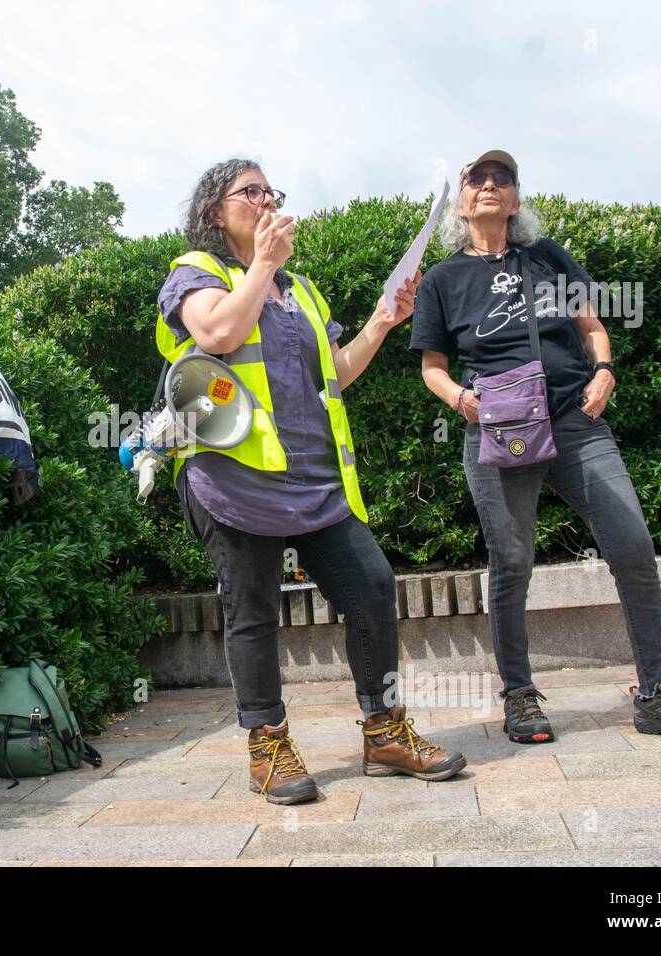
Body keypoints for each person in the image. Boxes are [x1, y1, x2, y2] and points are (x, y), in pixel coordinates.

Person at [156, 158, 467, 805]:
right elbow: (217, 330)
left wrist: (382, 321)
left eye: (272, 191)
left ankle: (384, 732)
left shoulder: (301, 292)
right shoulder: (198, 275)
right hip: (233, 483)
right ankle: (266, 746)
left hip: (313, 486)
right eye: (251, 191)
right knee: (253, 614)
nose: (266, 200)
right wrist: (261, 265)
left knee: (374, 588)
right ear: (217, 210)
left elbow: (338, 374)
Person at [409, 149, 661, 745]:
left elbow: (590, 325)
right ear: (461, 199)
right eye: (477, 178)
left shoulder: (548, 257)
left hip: (573, 420)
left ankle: (658, 693)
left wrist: (604, 369)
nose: (489, 185)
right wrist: (462, 400)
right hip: (501, 428)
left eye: (501, 178)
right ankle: (520, 695)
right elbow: (433, 368)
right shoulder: (442, 281)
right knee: (512, 562)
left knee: (632, 542)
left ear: (515, 196)